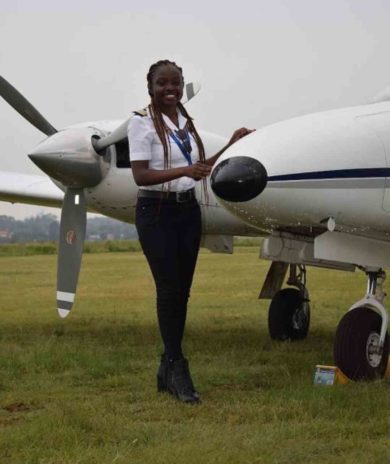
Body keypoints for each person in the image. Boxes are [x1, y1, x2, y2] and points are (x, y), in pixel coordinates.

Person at [128, 59, 253, 404]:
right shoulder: (140, 124)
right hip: (155, 212)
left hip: (187, 210)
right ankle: (177, 365)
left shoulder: (185, 122)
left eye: (176, 84)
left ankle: (166, 366)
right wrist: (187, 168)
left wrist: (231, 143)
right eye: (162, 84)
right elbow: (140, 175)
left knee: (182, 292)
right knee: (168, 290)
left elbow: (202, 168)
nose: (170, 90)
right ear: (150, 87)